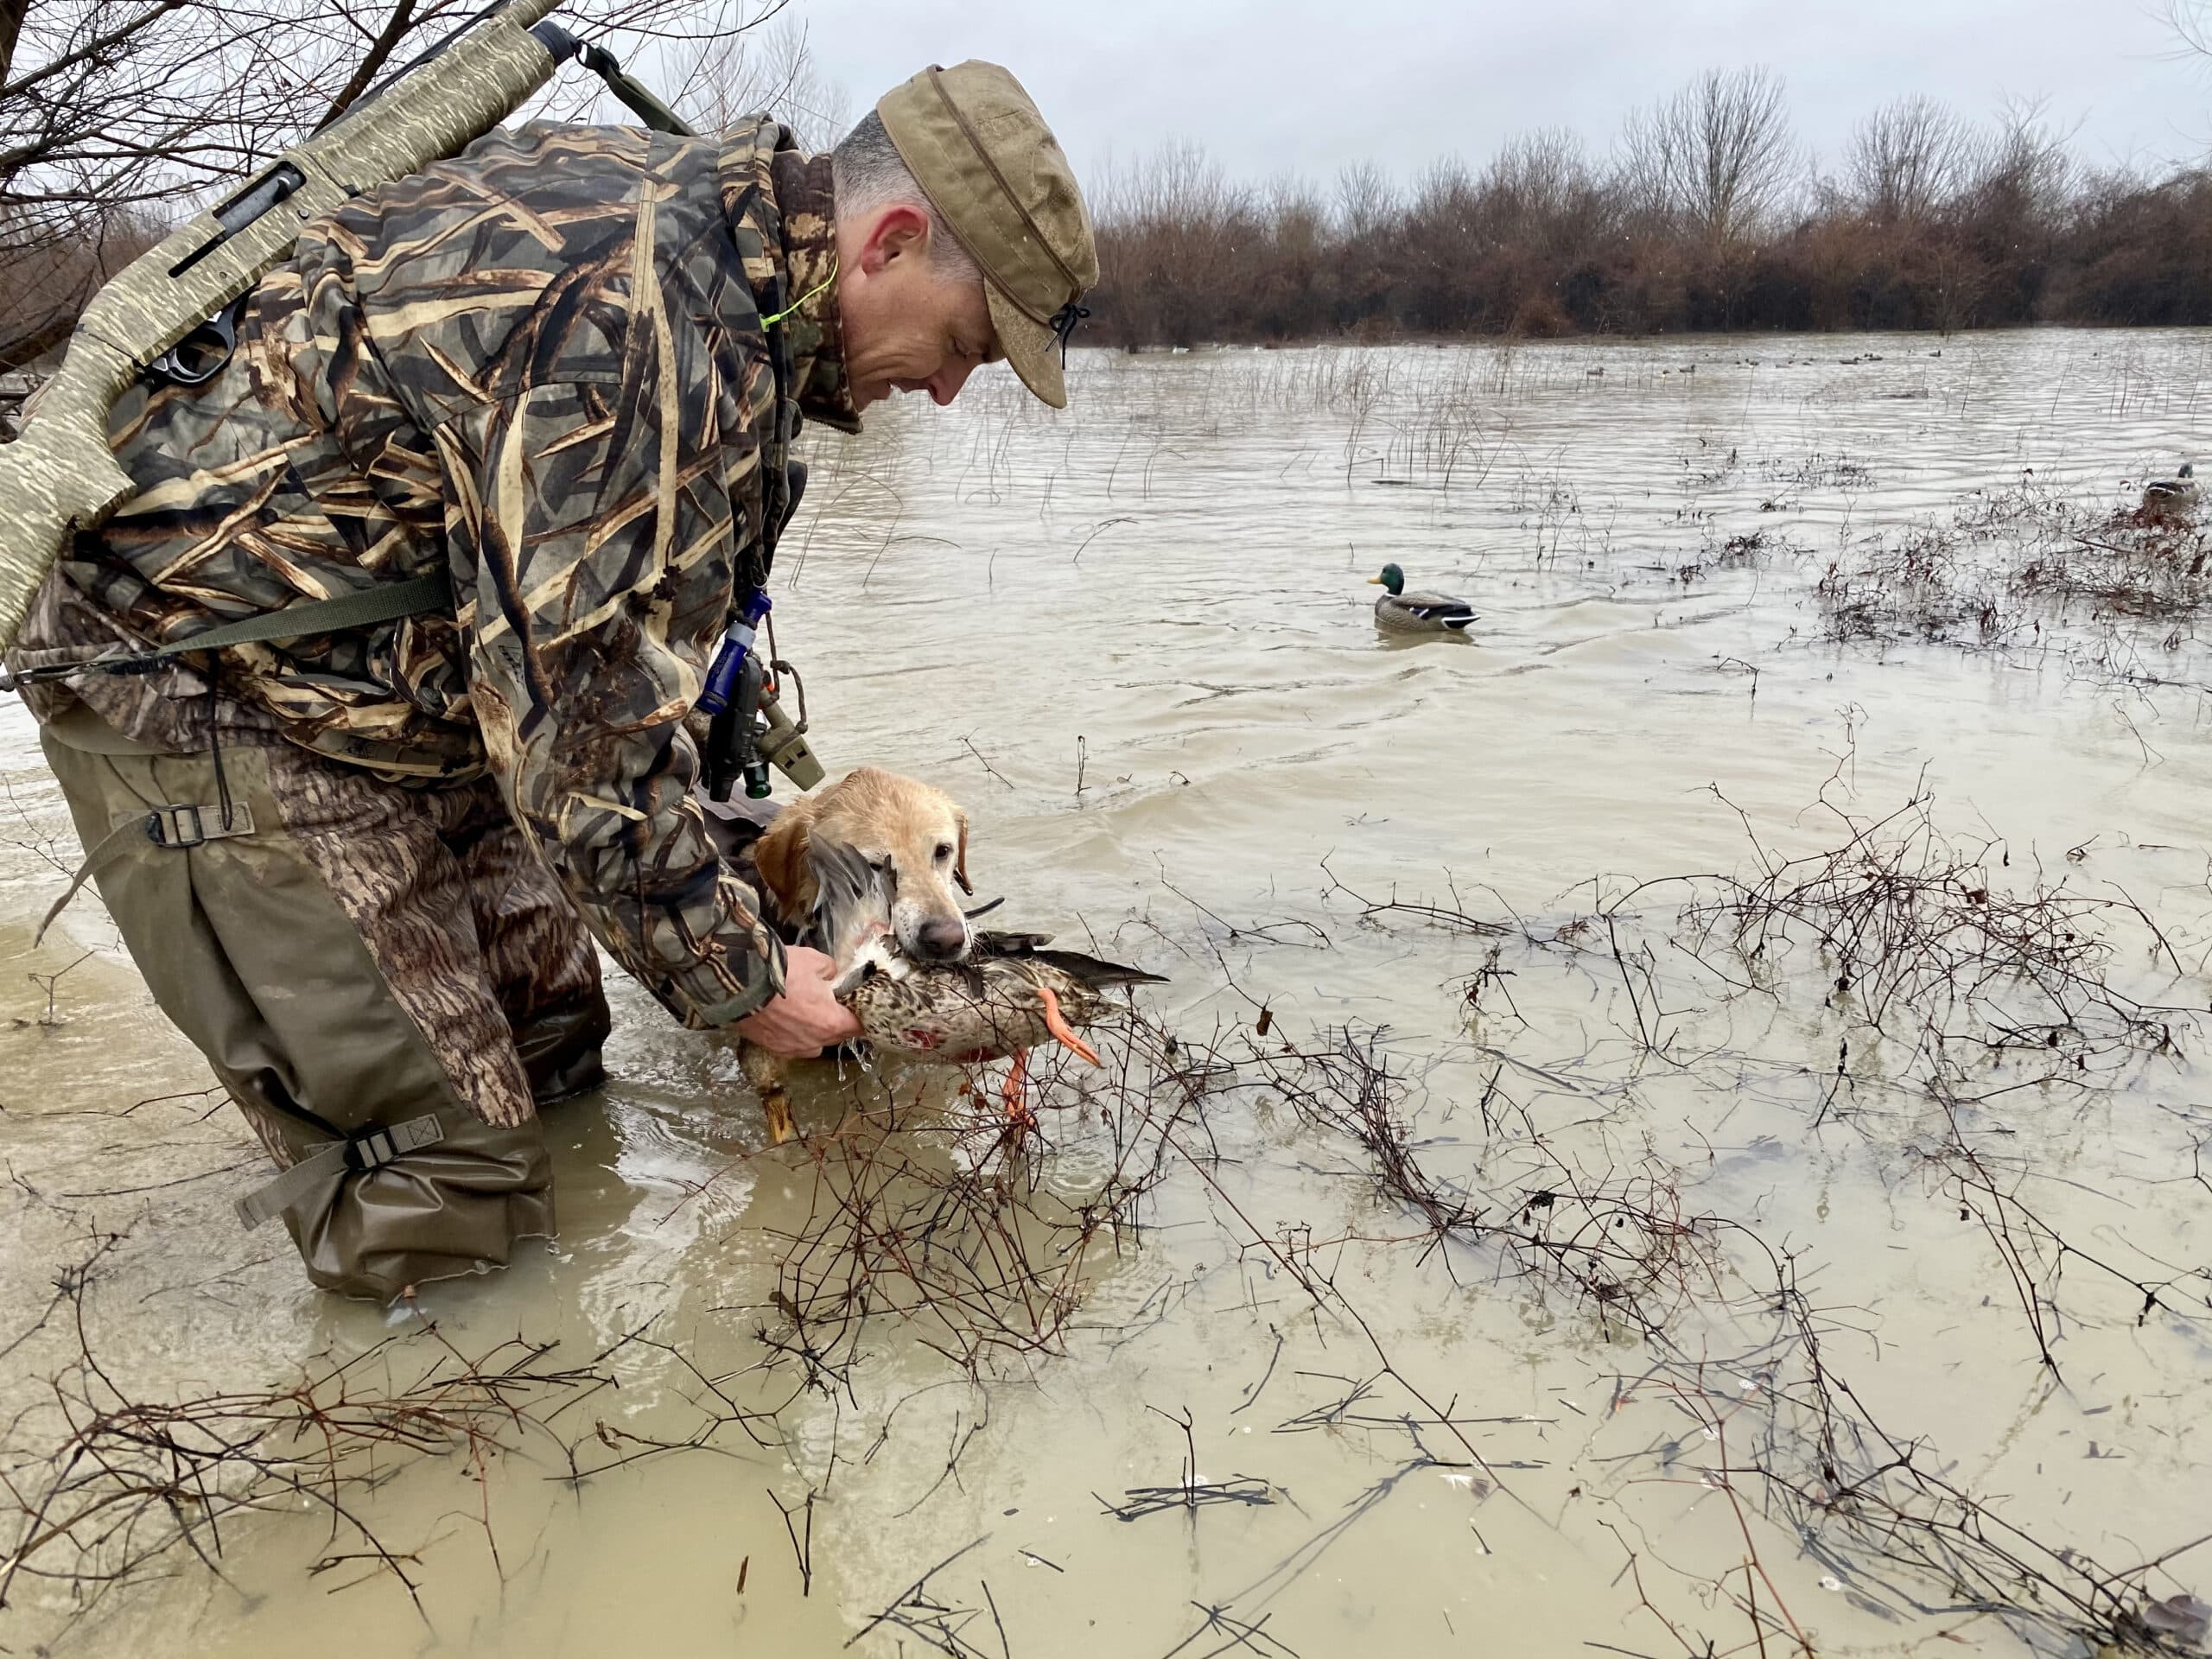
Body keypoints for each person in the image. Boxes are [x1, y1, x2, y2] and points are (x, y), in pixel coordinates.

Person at [3, 60, 1097, 1300]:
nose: (948, 390)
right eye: (962, 345)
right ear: (889, 240)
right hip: (201, 680)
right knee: (440, 1181)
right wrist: (741, 982)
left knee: (554, 1039)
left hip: (426, 684)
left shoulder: (733, 276)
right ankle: (445, 1437)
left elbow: (615, 664)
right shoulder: (638, 319)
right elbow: (578, 725)